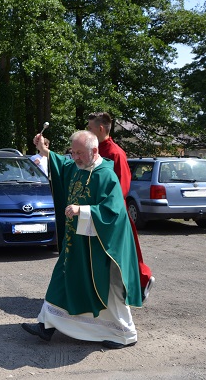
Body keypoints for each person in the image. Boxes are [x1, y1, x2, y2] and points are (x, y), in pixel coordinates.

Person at [21, 130, 142, 349]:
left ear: (94, 151)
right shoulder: (79, 167)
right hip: (77, 242)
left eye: (79, 153)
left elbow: (113, 211)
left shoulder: (105, 175)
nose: (75, 157)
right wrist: (44, 151)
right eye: (73, 152)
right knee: (62, 277)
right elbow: (63, 165)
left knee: (109, 290)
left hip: (101, 246)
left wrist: (82, 210)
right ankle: (46, 324)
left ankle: (124, 334)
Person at [87, 112, 155, 301]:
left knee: (124, 254)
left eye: (90, 128)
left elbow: (122, 187)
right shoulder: (94, 150)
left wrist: (106, 208)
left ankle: (142, 281)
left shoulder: (115, 153)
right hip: (97, 211)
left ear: (101, 129)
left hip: (114, 213)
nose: (88, 131)